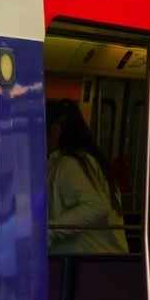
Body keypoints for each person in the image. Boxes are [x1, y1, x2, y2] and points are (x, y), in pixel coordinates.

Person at [47, 103, 127, 255]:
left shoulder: (69, 164)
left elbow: (96, 207)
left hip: (88, 263)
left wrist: (49, 231)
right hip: (107, 261)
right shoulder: (90, 160)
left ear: (55, 130)